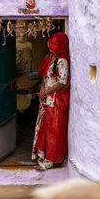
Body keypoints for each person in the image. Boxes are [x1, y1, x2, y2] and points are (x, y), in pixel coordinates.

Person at [31, 32, 70, 170]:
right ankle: (42, 155)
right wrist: (42, 90)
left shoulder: (62, 62)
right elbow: (45, 78)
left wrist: (46, 92)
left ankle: (50, 160)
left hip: (56, 101)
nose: (51, 50)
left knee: (54, 130)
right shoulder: (51, 59)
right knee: (45, 127)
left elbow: (62, 82)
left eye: (53, 47)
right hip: (47, 99)